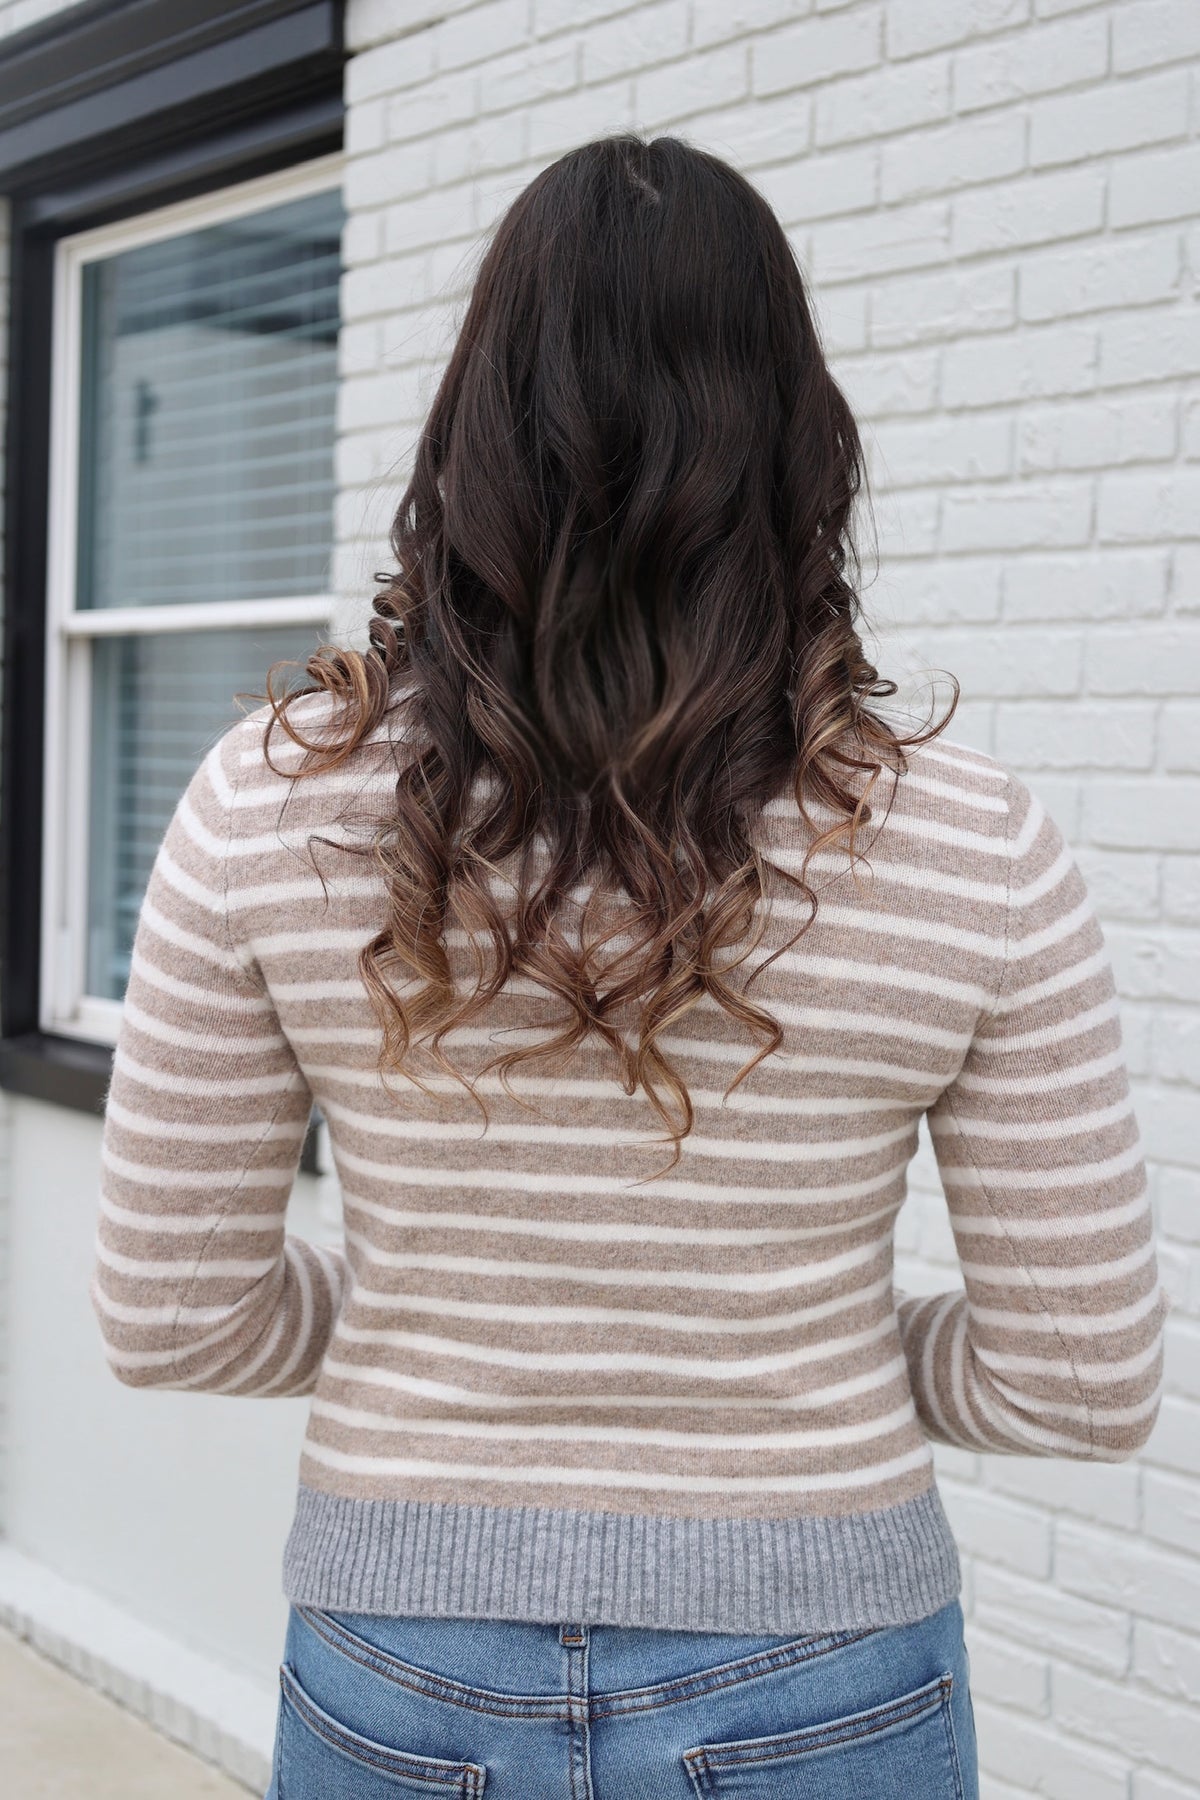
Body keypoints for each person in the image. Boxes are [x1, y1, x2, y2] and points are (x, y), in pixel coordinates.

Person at [90, 132, 1168, 1800]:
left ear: (472, 433)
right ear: (800, 442)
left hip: (401, 1658)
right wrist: (783, 1356)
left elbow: (173, 1318)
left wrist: (450, 1338)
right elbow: (1081, 1380)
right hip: (825, 1661)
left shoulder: (268, 807)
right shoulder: (973, 843)